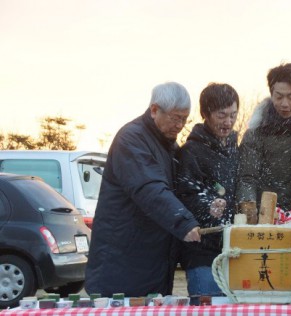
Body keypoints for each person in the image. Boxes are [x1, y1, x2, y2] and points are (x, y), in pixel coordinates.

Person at [85, 82, 202, 297]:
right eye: (175, 118)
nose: (179, 125)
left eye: (184, 119)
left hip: (152, 261)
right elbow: (149, 188)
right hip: (122, 261)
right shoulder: (131, 139)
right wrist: (184, 222)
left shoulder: (169, 146)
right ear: (155, 110)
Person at [175, 83, 239, 296]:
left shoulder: (236, 150)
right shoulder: (191, 151)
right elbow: (184, 195)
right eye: (221, 115)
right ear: (205, 114)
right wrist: (208, 205)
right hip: (202, 252)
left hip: (234, 250)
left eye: (233, 115)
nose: (228, 122)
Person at [237, 62, 291, 217]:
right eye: (279, 97)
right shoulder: (256, 133)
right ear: (271, 94)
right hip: (265, 216)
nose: (285, 104)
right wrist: (249, 210)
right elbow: (247, 178)